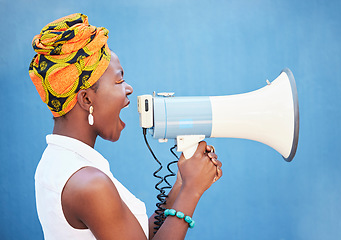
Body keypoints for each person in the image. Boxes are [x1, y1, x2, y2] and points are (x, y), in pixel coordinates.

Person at [30, 13, 222, 240]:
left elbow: (134, 234)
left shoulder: (59, 162)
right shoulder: (89, 183)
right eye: (119, 81)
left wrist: (181, 184)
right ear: (86, 99)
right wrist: (192, 191)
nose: (128, 88)